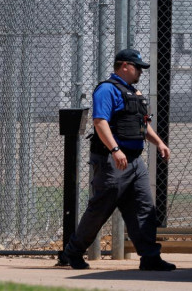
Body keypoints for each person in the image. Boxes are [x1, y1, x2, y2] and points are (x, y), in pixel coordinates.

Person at [57, 48, 176, 272]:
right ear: (124, 66)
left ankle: (150, 256)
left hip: (134, 161)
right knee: (100, 209)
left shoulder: (132, 92)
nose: (140, 71)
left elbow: (142, 125)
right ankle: (72, 252)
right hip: (112, 161)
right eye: (137, 67)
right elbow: (100, 122)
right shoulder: (106, 90)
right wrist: (115, 149)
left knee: (143, 208)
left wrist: (159, 142)